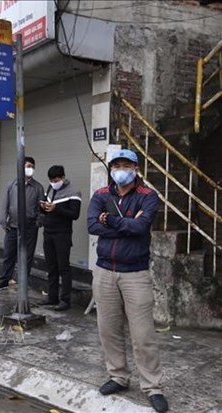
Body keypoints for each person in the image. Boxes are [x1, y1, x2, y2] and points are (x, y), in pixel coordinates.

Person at [87, 149, 168, 413]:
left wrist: (110, 220)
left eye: (127, 165)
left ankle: (152, 386)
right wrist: (124, 224)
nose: (122, 169)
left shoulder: (148, 196)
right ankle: (118, 376)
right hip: (104, 272)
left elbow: (141, 228)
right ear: (111, 169)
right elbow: (91, 225)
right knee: (108, 330)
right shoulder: (101, 195)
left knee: (143, 334)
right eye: (117, 165)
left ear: (136, 168)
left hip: (135, 273)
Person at [0, 156, 45, 291]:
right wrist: (4, 222)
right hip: (13, 226)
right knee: (9, 254)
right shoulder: (12, 185)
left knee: (27, 257)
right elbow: (5, 204)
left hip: (30, 227)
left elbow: (41, 207)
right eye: (28, 166)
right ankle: (5, 279)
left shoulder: (38, 187)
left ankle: (23, 282)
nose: (30, 169)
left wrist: (39, 222)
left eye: (32, 167)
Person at [39, 165, 81, 311]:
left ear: (63, 177)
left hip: (62, 234)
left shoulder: (74, 192)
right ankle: (52, 297)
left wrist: (56, 209)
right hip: (48, 232)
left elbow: (74, 214)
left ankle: (65, 300)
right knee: (51, 267)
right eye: (51, 179)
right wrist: (42, 206)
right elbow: (45, 209)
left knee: (64, 267)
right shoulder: (50, 189)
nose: (53, 182)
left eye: (56, 179)